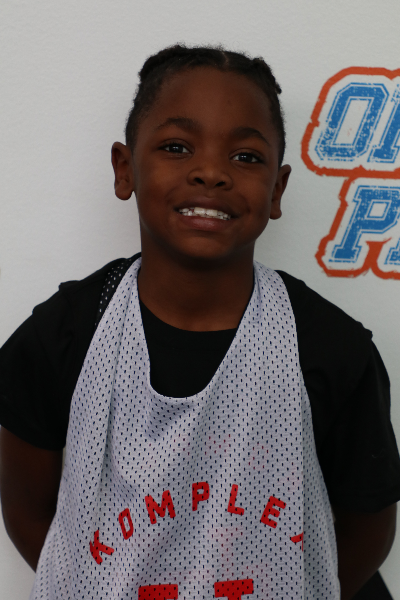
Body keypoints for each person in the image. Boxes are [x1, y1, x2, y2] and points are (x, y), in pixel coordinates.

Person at [0, 43, 399, 600]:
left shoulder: (332, 349)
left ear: (277, 189)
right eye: (176, 147)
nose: (211, 172)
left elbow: (368, 530)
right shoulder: (63, 336)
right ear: (125, 169)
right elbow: (28, 510)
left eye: (246, 157)